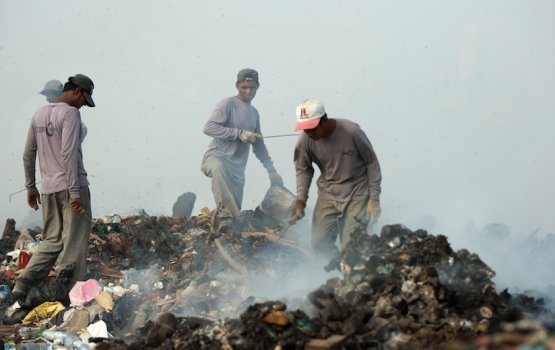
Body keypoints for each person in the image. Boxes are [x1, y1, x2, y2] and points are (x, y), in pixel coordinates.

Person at [12, 74, 96, 302]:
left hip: (48, 189)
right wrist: (75, 191)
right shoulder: (71, 113)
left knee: (51, 241)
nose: (83, 106)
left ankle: (22, 285)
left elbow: (28, 154)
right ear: (77, 92)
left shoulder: (39, 113)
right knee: (74, 242)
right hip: (72, 185)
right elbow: (69, 153)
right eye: (84, 100)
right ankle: (66, 295)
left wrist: (31, 187)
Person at [288, 98, 382, 262]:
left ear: (324, 120)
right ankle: (336, 272)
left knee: (352, 245)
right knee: (319, 243)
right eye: (305, 129)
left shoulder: (351, 131)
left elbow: (371, 163)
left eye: (312, 128)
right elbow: (303, 170)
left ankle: (354, 274)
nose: (309, 133)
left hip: (357, 194)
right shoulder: (305, 141)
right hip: (328, 194)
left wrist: (374, 200)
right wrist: (301, 200)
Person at [201, 68, 284, 232]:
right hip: (216, 158)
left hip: (237, 170)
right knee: (219, 170)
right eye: (244, 87)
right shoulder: (227, 104)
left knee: (235, 218)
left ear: (257, 87)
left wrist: (272, 171)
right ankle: (224, 217)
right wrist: (238, 133)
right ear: (237, 85)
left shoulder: (254, 113)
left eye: (252, 87)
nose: (248, 91)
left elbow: (259, 145)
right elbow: (208, 128)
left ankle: (226, 237)